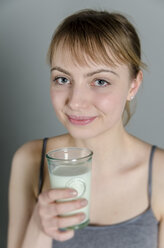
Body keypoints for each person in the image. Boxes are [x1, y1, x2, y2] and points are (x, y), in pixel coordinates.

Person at [8, 9, 164, 248]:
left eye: (100, 81)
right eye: (63, 79)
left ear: (133, 85)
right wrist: (39, 226)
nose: (75, 101)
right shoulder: (29, 161)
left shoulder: (160, 174)